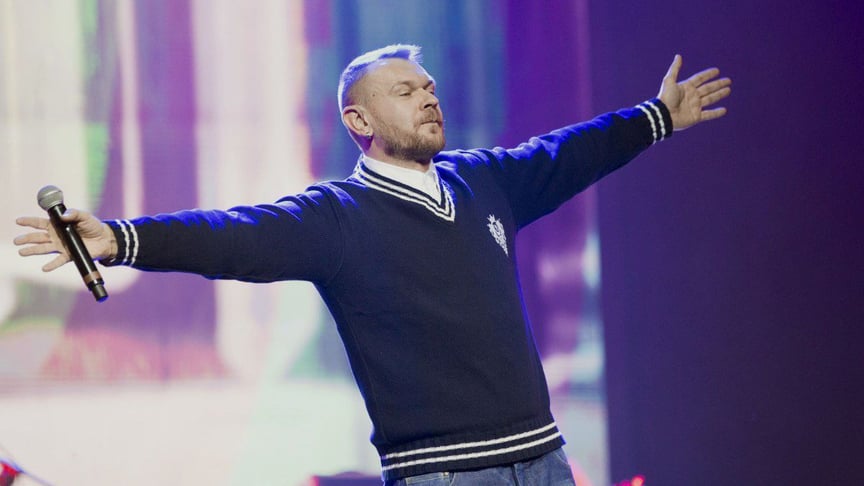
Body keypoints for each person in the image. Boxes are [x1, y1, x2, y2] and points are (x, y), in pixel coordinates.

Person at [14, 45, 731, 484]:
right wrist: (120, 238)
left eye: (430, 88)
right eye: (405, 91)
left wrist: (656, 118)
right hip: (444, 474)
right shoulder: (337, 218)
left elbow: (566, 152)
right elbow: (232, 236)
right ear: (358, 121)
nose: (428, 98)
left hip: (544, 460)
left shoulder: (483, 181)